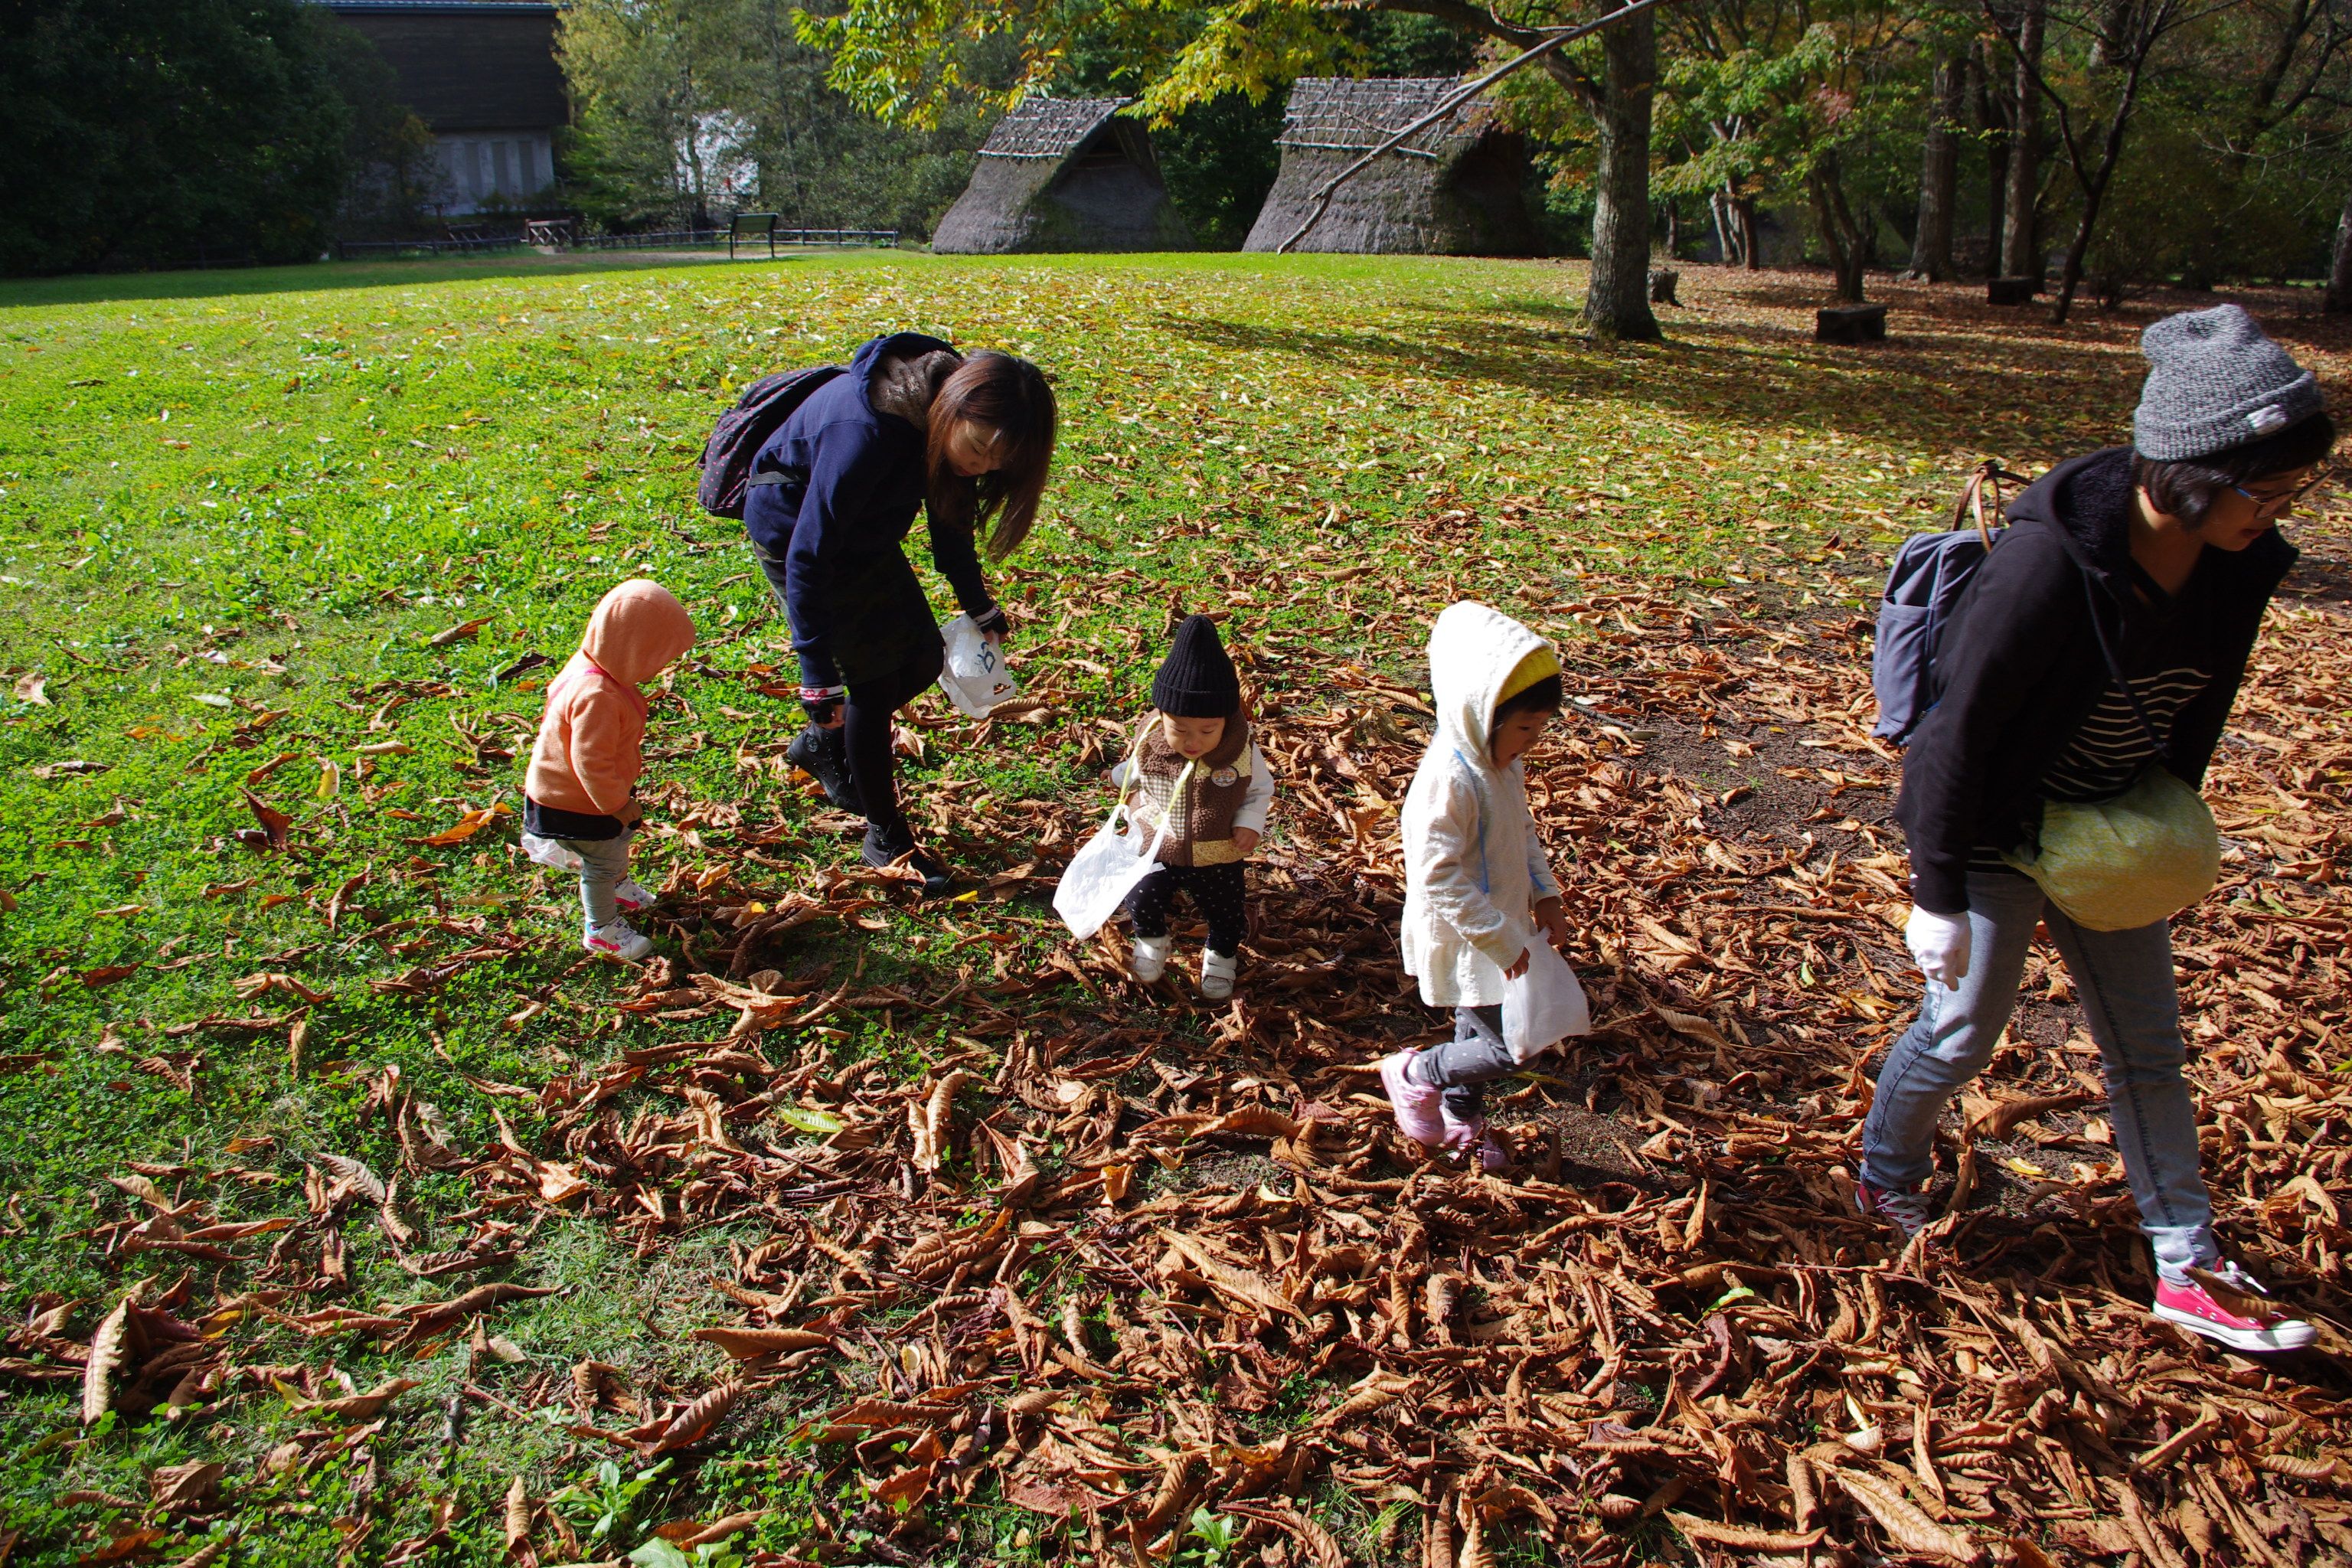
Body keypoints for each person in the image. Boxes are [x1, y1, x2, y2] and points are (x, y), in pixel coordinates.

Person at [1870, 303, 2335, 1354]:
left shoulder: (2239, 562)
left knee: (2149, 1049)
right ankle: (1882, 1176)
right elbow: (1956, 740)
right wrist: (1934, 895)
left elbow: (2196, 705)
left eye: (2298, 489)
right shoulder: (2044, 566)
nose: (2280, 510)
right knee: (1961, 1032)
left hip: (2104, 826)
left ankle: (2188, 1264)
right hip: (1995, 829)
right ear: (2191, 472)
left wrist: (2164, 813)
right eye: (2267, 488)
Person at [744, 332, 1056, 894]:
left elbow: (950, 525)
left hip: (864, 534)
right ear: (954, 408)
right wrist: (816, 676)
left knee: (919, 659)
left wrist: (979, 606)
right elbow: (810, 556)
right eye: (979, 447)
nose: (982, 465)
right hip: (794, 529)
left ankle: (822, 747)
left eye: (999, 461)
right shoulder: (866, 434)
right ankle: (885, 835)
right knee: (870, 681)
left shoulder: (943, 423)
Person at [1381, 601, 1575, 1171]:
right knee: (1509, 1047)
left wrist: (1546, 892)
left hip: (1504, 924)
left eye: (1539, 728)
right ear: (1478, 711)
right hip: (1469, 932)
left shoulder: (1501, 763)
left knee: (1480, 1022)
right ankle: (1417, 1073)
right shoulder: (1449, 780)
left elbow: (1523, 830)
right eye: (1524, 728)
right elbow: (1436, 875)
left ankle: (1463, 1117)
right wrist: (1499, 938)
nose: (1532, 741)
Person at [520, 579, 697, 962]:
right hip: (577, 803)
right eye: (658, 658)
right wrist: (616, 804)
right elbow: (590, 762)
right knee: (601, 860)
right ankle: (600, 928)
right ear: (633, 650)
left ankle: (619, 885)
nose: (662, 667)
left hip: (583, 794)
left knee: (614, 847)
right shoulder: (597, 696)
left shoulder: (595, 664)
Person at [1111, 615, 1277, 1001]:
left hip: (1217, 848)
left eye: (1207, 731)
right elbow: (1134, 770)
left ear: (1226, 721)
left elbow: (1259, 790)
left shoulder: (1241, 751)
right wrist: (1119, 777)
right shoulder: (1151, 740)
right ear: (1162, 716)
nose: (1192, 741)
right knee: (1143, 895)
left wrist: (1251, 822)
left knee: (1226, 908)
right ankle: (1152, 938)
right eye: (1179, 728)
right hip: (1157, 840)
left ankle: (1221, 953)